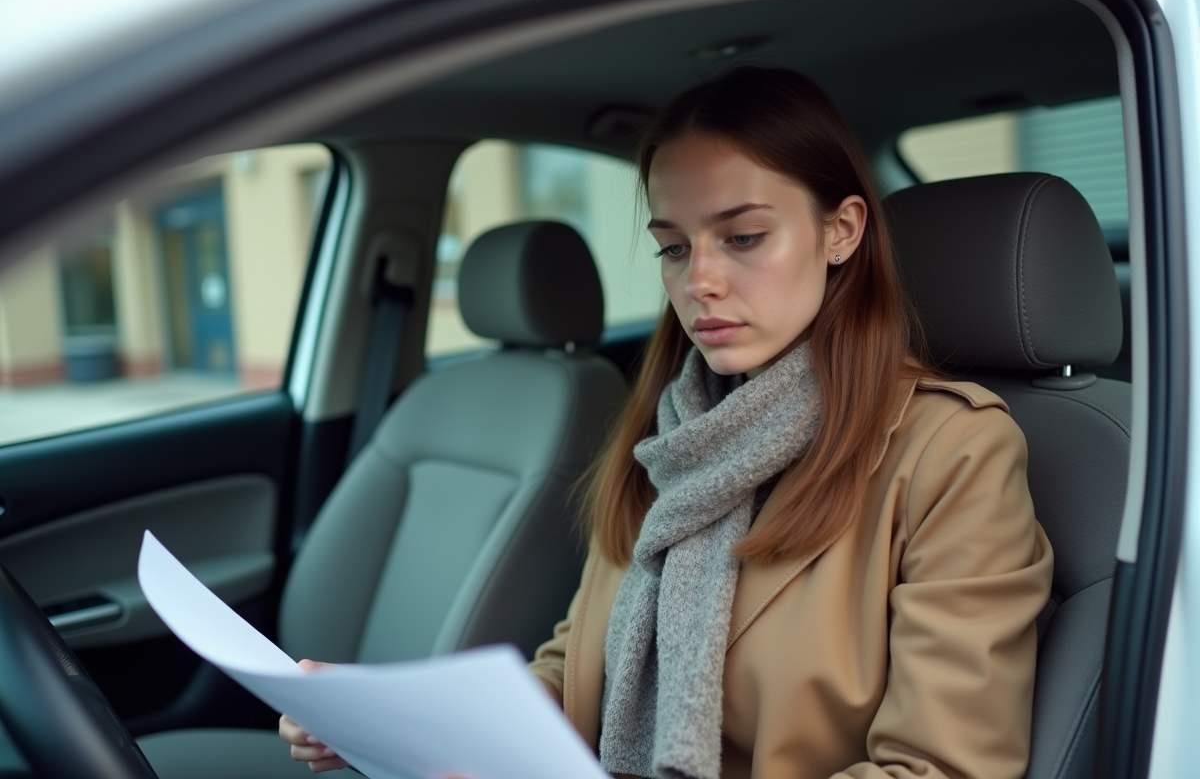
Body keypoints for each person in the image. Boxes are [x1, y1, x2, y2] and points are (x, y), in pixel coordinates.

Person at [281, 65, 1053, 779]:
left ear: (841, 231)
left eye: (743, 237)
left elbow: (941, 769)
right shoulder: (671, 434)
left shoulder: (953, 453)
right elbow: (580, 667)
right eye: (674, 247)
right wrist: (408, 723)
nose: (700, 281)